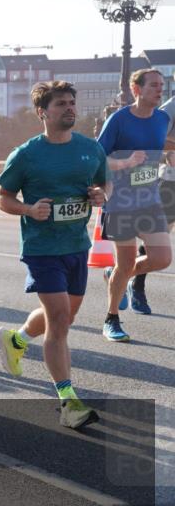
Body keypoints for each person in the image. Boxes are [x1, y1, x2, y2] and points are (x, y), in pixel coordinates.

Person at [0, 80, 108, 430]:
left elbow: (104, 185)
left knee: (63, 316)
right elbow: (3, 197)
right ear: (43, 112)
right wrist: (28, 209)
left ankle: (17, 339)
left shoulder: (91, 149)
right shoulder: (27, 154)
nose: (70, 108)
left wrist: (100, 196)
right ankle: (67, 400)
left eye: (72, 102)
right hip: (43, 249)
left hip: (76, 245)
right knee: (59, 320)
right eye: (61, 104)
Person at [98, 68, 173, 339]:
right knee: (126, 261)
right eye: (154, 85)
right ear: (136, 89)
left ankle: (116, 274)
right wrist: (125, 163)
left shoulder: (163, 118)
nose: (160, 89)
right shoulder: (119, 120)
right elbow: (98, 157)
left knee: (162, 258)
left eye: (161, 85)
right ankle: (111, 319)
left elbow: (157, 142)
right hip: (120, 200)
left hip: (149, 199)